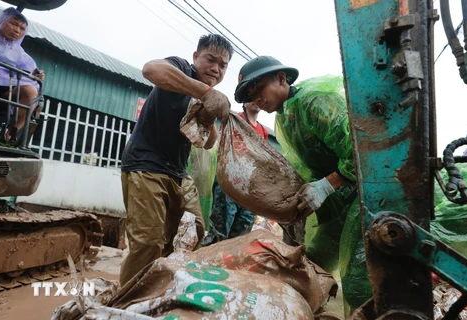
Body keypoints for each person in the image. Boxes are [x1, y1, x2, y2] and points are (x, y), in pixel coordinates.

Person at [234, 56, 367, 312]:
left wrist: (327, 185)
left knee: (359, 279)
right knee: (311, 265)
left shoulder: (313, 102)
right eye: (251, 95)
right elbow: (301, 165)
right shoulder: (284, 118)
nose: (256, 99)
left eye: (259, 89)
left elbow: (360, 148)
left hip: (363, 197)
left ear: (281, 78)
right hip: (338, 206)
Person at [119, 34, 233, 286]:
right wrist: (203, 91)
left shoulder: (206, 95)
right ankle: (125, 301)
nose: (215, 68)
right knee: (148, 242)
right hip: (145, 166)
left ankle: (159, 287)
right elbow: (151, 69)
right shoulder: (181, 68)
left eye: (222, 65)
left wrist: (209, 114)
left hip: (178, 173)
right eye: (210, 60)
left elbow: (209, 142)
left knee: (193, 232)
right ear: (196, 57)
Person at [201, 102, 269, 246]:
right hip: (229, 181)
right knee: (220, 229)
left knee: (242, 234)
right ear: (244, 101)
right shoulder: (234, 120)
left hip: (249, 188)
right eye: (251, 97)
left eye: (258, 98)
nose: (255, 101)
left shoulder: (263, 131)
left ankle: (229, 263)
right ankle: (208, 262)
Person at [0, 8, 45, 138]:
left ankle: (9, 135)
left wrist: (37, 75)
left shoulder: (18, 52)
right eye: (14, 24)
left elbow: (31, 70)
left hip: (6, 88)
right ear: (1, 21)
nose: (17, 30)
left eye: (22, 29)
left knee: (31, 91)